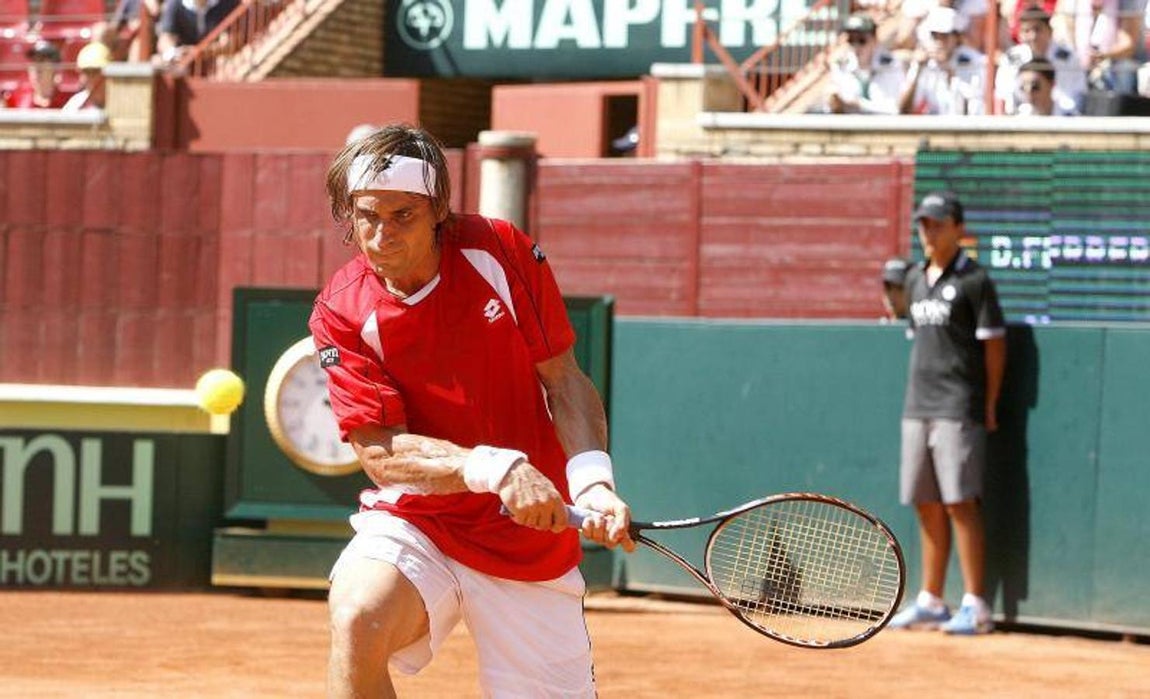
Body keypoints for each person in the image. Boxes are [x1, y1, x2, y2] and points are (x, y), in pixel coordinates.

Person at [308, 123, 635, 697]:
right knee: (359, 617)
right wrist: (496, 469)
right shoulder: (341, 310)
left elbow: (563, 380)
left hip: (529, 538)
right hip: (420, 521)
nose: (382, 235)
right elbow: (380, 454)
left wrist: (592, 486)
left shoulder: (500, 251)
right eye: (367, 215)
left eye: (403, 215)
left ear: (437, 211)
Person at [889, 191, 1007, 636]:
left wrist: (989, 404)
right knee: (926, 502)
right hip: (917, 406)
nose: (928, 232)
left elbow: (995, 346)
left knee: (960, 502)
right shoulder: (915, 280)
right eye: (923, 224)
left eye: (937, 224)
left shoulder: (976, 281)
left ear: (958, 228)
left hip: (959, 407)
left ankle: (976, 605)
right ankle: (932, 600)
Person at [995, 6, 1086, 114]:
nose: (1033, 36)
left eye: (1037, 29)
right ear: (1019, 35)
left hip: (1060, 119)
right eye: (1027, 31)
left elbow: (1074, 97)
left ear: (1050, 31)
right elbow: (1002, 95)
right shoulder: (1011, 58)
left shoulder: (1068, 58)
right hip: (1019, 119)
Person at [899, 7, 989, 114]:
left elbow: (973, 111)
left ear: (957, 38)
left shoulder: (974, 62)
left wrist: (951, 75)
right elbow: (904, 109)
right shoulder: (923, 62)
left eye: (944, 36)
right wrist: (918, 71)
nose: (939, 41)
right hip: (934, 127)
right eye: (935, 35)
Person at [824, 13, 906, 115]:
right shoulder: (841, 66)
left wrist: (860, 105)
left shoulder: (891, 65)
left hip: (883, 128)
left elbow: (893, 109)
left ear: (874, 40)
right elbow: (831, 109)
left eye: (862, 41)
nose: (856, 46)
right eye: (851, 40)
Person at [156, 0, 239, 66]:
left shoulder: (227, 3)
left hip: (218, 67)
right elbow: (165, 38)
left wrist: (197, 52)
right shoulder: (175, 3)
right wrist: (173, 53)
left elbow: (230, 44)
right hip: (183, 66)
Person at [6, 39, 72, 109]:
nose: (36, 67)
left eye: (41, 61)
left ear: (55, 68)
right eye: (33, 61)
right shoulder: (17, 98)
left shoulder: (67, 101)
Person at [1012, 59, 1081, 113]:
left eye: (1034, 86)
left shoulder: (1069, 116)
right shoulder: (1018, 117)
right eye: (1023, 87)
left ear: (1051, 85)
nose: (1029, 91)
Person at [62, 41, 111, 112]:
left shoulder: (122, 101)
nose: (90, 78)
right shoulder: (76, 103)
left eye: (95, 72)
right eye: (86, 72)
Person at [882, 256, 911, 321]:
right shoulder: (880, 327)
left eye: (899, 288)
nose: (892, 295)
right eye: (888, 287)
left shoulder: (921, 329)